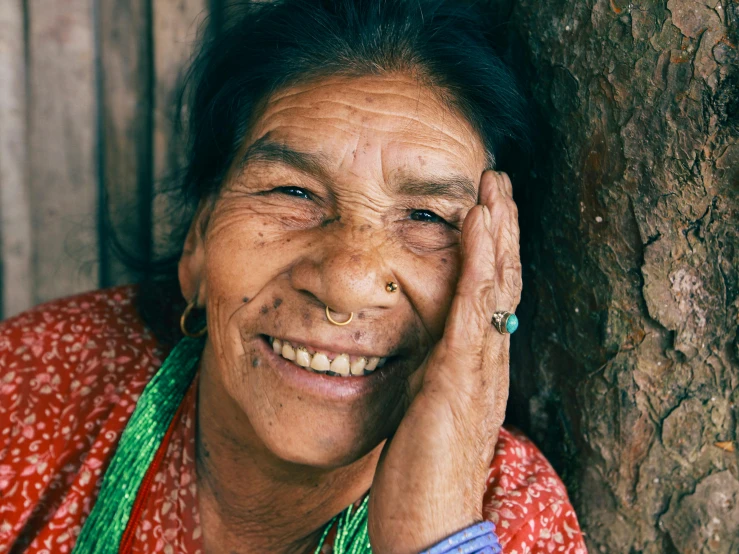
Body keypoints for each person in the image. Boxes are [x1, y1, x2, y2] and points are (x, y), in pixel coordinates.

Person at [0, 0, 587, 552]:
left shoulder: (508, 515)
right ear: (199, 239)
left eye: (427, 217)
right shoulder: (38, 380)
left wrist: (433, 530)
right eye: (293, 192)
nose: (345, 281)